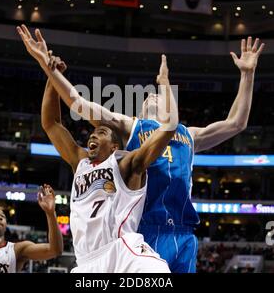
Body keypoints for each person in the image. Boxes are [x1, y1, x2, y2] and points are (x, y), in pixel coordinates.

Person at [17, 25, 264, 272]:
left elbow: (236, 123)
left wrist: (248, 74)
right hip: (145, 228)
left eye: (156, 93)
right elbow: (78, 103)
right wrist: (49, 69)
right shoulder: (129, 126)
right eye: (148, 96)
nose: (151, 95)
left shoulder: (189, 134)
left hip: (183, 231)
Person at [17, 25, 178, 272]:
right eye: (92, 133)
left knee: (158, 272)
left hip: (122, 251)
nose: (92, 135)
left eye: (101, 132)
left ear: (115, 145)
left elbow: (168, 128)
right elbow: (50, 124)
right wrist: (51, 75)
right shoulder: (79, 161)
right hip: (86, 262)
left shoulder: (126, 163)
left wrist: (165, 86)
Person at [0, 184, 63, 273]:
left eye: (3, 216)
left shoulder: (17, 250)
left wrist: (51, 214)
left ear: (5, 226)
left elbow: (55, 250)